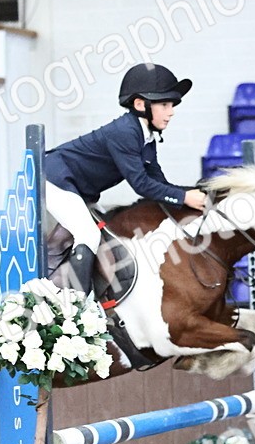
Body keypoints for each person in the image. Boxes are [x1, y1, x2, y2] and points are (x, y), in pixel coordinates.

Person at [44, 62, 208, 294]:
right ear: (141, 104)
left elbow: (159, 184)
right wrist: (184, 197)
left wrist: (195, 193)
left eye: (172, 104)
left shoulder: (147, 136)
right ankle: (79, 303)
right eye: (164, 104)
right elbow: (141, 185)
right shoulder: (125, 132)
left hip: (77, 188)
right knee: (88, 234)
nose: (171, 111)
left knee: (104, 235)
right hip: (55, 179)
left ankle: (72, 290)